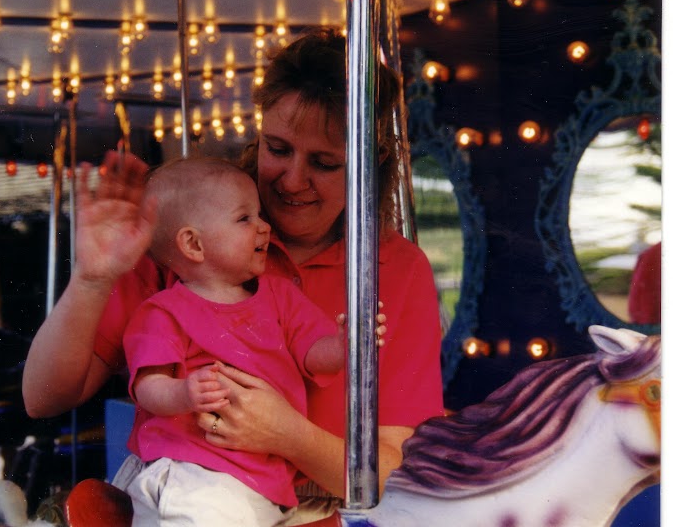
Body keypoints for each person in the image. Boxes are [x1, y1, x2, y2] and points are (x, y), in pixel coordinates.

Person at [23, 27, 444, 524]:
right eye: (278, 148)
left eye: (325, 163)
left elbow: (397, 473)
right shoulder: (189, 237)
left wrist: (288, 435)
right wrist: (92, 280)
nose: (292, 180)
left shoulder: (395, 269)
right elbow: (44, 398)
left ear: (368, 163)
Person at [123, 157, 343, 525]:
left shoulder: (279, 297)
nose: (264, 227)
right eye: (245, 219)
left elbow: (314, 354)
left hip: (260, 486)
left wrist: (347, 345)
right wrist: (184, 394)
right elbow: (147, 385)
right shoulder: (164, 311)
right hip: (194, 472)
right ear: (193, 244)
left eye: (258, 215)